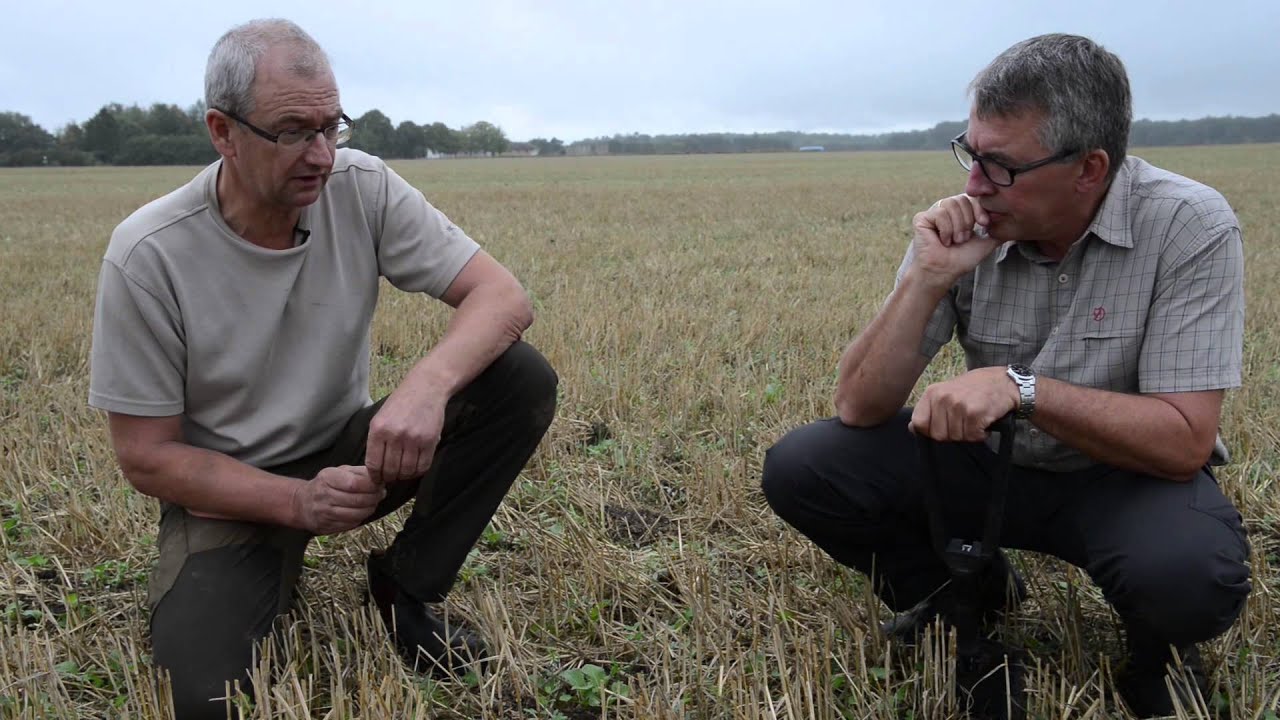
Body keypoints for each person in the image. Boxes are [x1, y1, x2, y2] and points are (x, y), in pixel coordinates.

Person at [760, 33, 1250, 717]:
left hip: (1125, 476)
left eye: (1002, 166)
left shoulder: (1188, 225)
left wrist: (1023, 390)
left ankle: (1156, 650)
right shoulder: (968, 226)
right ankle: (965, 596)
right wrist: (928, 277)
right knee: (806, 467)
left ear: (1089, 169)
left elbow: (1184, 441)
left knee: (1189, 577)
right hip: (991, 465)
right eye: (970, 154)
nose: (974, 184)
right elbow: (858, 407)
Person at [87, 19, 557, 719]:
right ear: (222, 131)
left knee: (517, 379)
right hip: (229, 489)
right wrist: (296, 504)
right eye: (292, 132)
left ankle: (405, 589)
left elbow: (502, 297)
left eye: (330, 126)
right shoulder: (148, 255)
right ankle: (264, 564)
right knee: (204, 697)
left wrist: (426, 390)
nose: (321, 155)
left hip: (350, 457)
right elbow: (148, 458)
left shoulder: (359, 185)